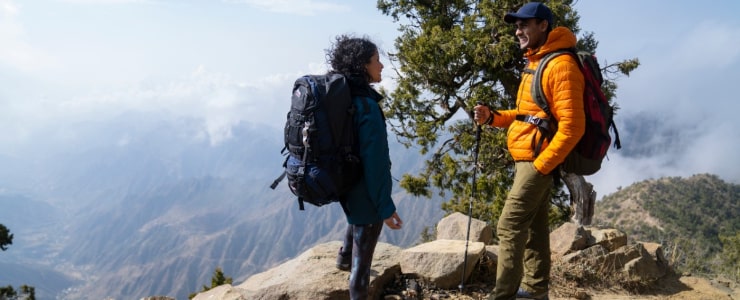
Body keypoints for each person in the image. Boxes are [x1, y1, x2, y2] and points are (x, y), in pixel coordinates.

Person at [474, 2, 585, 300]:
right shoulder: (538, 61)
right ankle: (536, 291)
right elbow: (526, 114)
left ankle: (503, 295)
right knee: (534, 229)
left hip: (537, 161)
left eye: (524, 24)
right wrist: (493, 118)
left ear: (543, 26)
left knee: (509, 226)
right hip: (529, 158)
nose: (518, 30)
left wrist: (542, 166)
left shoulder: (561, 65)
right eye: (516, 25)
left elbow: (573, 127)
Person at [325, 34, 403, 300]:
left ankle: (344, 257)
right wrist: (385, 208)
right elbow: (376, 163)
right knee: (363, 264)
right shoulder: (366, 105)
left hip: (344, 181)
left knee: (355, 220)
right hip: (364, 189)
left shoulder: (343, 97)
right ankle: (356, 289)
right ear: (362, 66)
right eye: (376, 61)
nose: (381, 66)